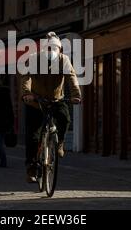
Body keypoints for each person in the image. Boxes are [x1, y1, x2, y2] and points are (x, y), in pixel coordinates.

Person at [21, 32, 81, 183]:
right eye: (49, 48)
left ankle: (59, 142)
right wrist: (27, 93)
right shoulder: (34, 59)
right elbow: (26, 77)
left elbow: (72, 77)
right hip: (37, 101)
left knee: (65, 118)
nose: (52, 51)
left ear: (60, 50)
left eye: (55, 48)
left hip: (56, 99)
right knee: (33, 136)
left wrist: (76, 95)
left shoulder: (64, 60)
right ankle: (32, 168)